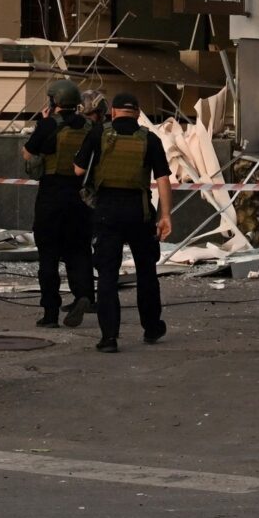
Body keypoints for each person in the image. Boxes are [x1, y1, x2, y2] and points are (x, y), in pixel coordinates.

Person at [77, 89, 173, 354]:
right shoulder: (150, 139)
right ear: (138, 113)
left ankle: (109, 337)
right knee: (146, 272)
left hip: (106, 213)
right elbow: (163, 179)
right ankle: (152, 327)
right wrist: (165, 215)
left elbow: (78, 170)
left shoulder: (98, 134)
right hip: (140, 213)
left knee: (107, 275)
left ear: (113, 112)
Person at [21, 77, 95, 330]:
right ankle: (84, 295)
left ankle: (50, 313)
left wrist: (42, 123)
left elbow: (28, 154)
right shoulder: (89, 127)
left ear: (55, 101)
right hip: (81, 197)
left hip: (51, 196)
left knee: (49, 256)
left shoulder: (48, 125)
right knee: (80, 251)